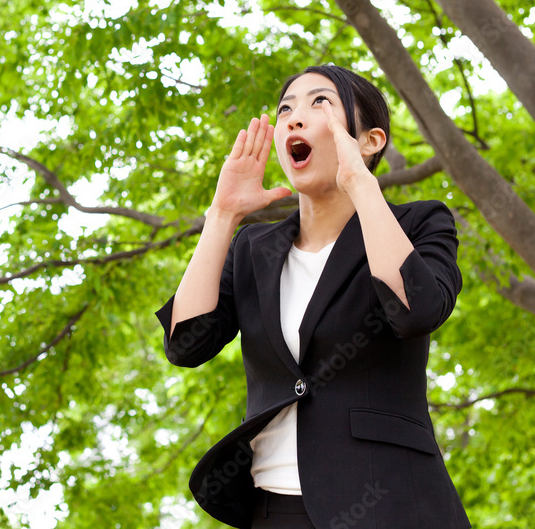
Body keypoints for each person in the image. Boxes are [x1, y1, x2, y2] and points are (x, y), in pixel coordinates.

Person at [154, 65, 471, 528]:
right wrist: (223, 214)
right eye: (286, 108)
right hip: (271, 508)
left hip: (393, 503)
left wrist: (360, 183)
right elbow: (186, 343)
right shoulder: (253, 248)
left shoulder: (417, 225)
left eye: (320, 102)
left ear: (371, 140)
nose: (294, 118)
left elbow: (415, 311)